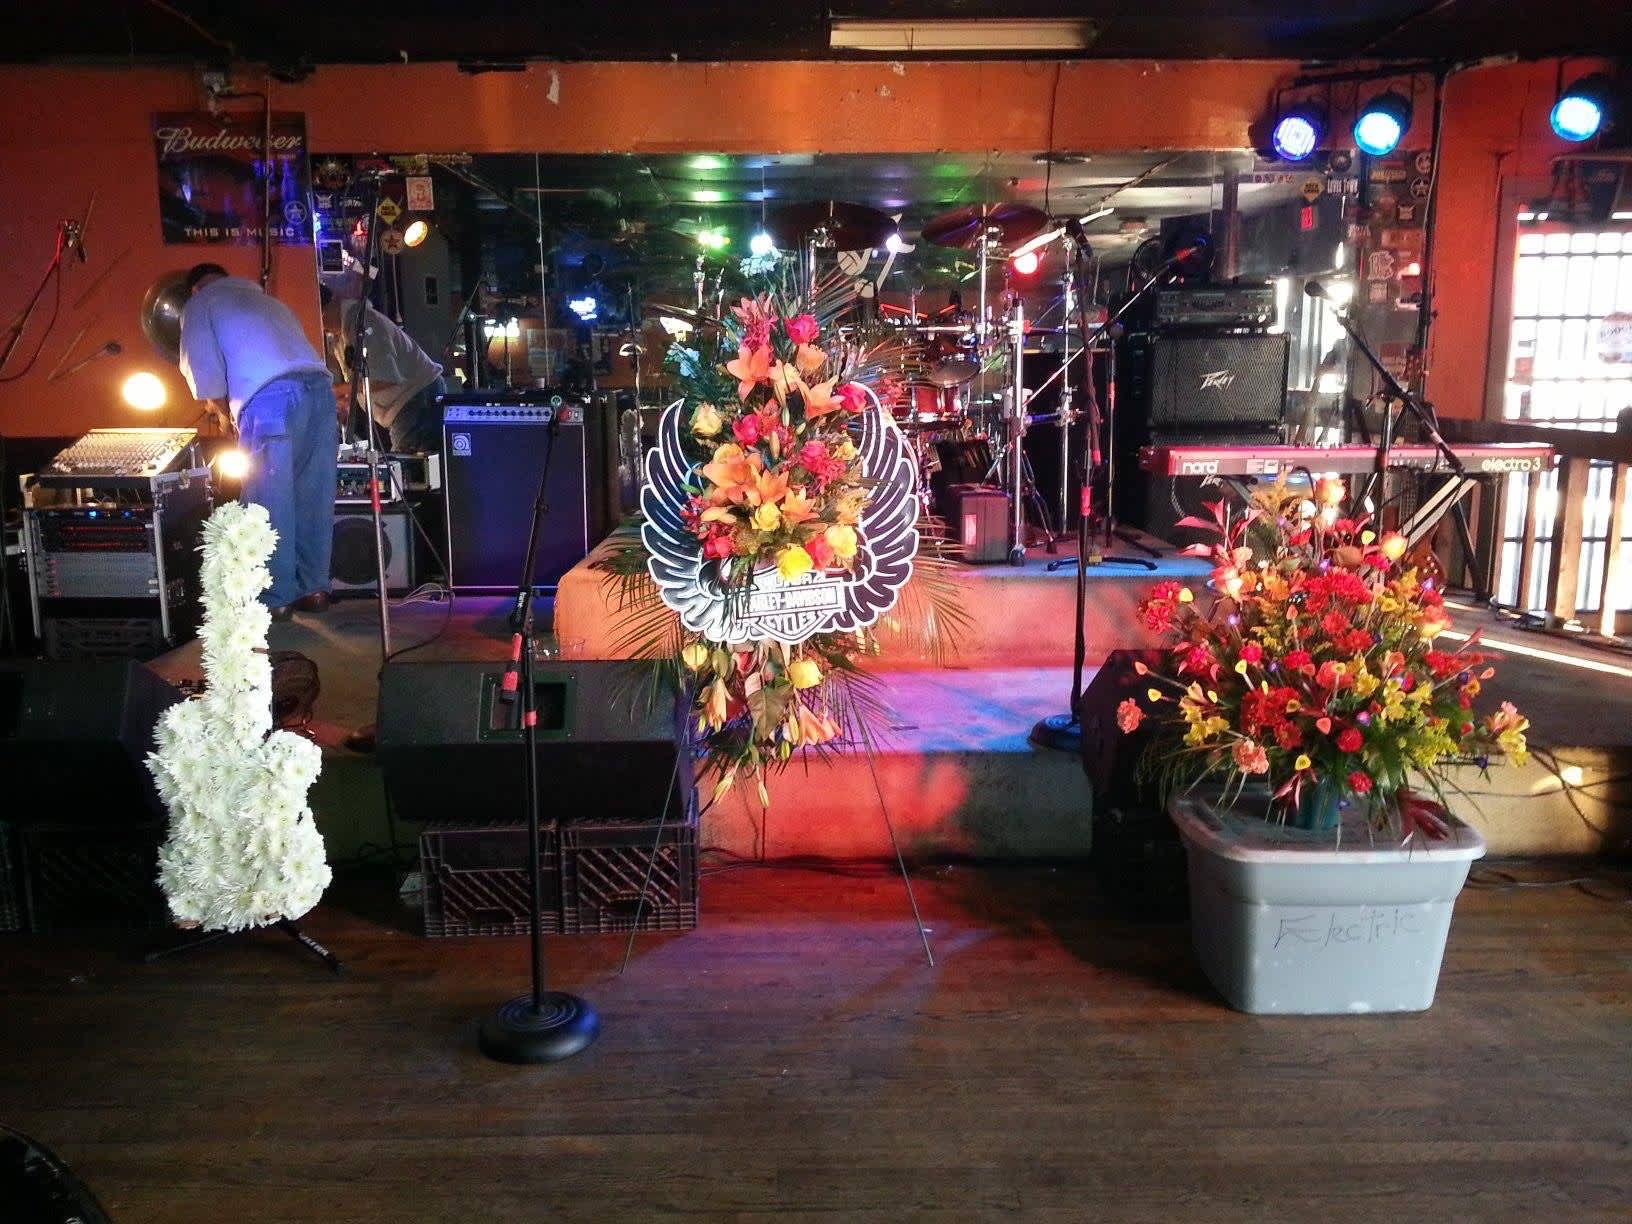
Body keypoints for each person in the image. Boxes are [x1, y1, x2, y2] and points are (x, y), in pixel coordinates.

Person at [178, 262, 337, 620]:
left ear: (195, 289)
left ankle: (275, 596)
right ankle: (313, 589)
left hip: (269, 398)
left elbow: (203, 373)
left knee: (269, 499)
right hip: (319, 392)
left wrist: (225, 415)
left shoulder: (201, 303)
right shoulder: (270, 302)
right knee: (312, 494)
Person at [320, 285, 447, 453]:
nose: (322, 326)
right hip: (404, 407)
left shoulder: (364, 322)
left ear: (331, 305)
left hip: (416, 401)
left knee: (407, 465)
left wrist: (338, 390)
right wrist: (347, 399)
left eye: (321, 316)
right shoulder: (341, 335)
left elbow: (384, 376)